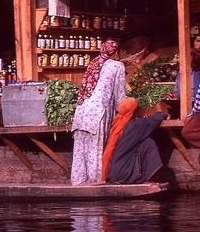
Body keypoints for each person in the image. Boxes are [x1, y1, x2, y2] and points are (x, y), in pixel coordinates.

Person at [70, 39, 126, 185]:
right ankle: (95, 182)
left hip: (81, 111)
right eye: (119, 52)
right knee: (95, 149)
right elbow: (120, 95)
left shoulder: (95, 63)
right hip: (97, 112)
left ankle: (78, 181)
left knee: (80, 148)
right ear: (115, 52)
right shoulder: (117, 66)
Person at [102, 97, 166, 184]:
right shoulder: (136, 125)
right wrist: (164, 113)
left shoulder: (117, 124)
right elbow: (156, 119)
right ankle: (143, 179)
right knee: (148, 143)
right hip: (123, 175)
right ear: (135, 111)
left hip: (112, 174)